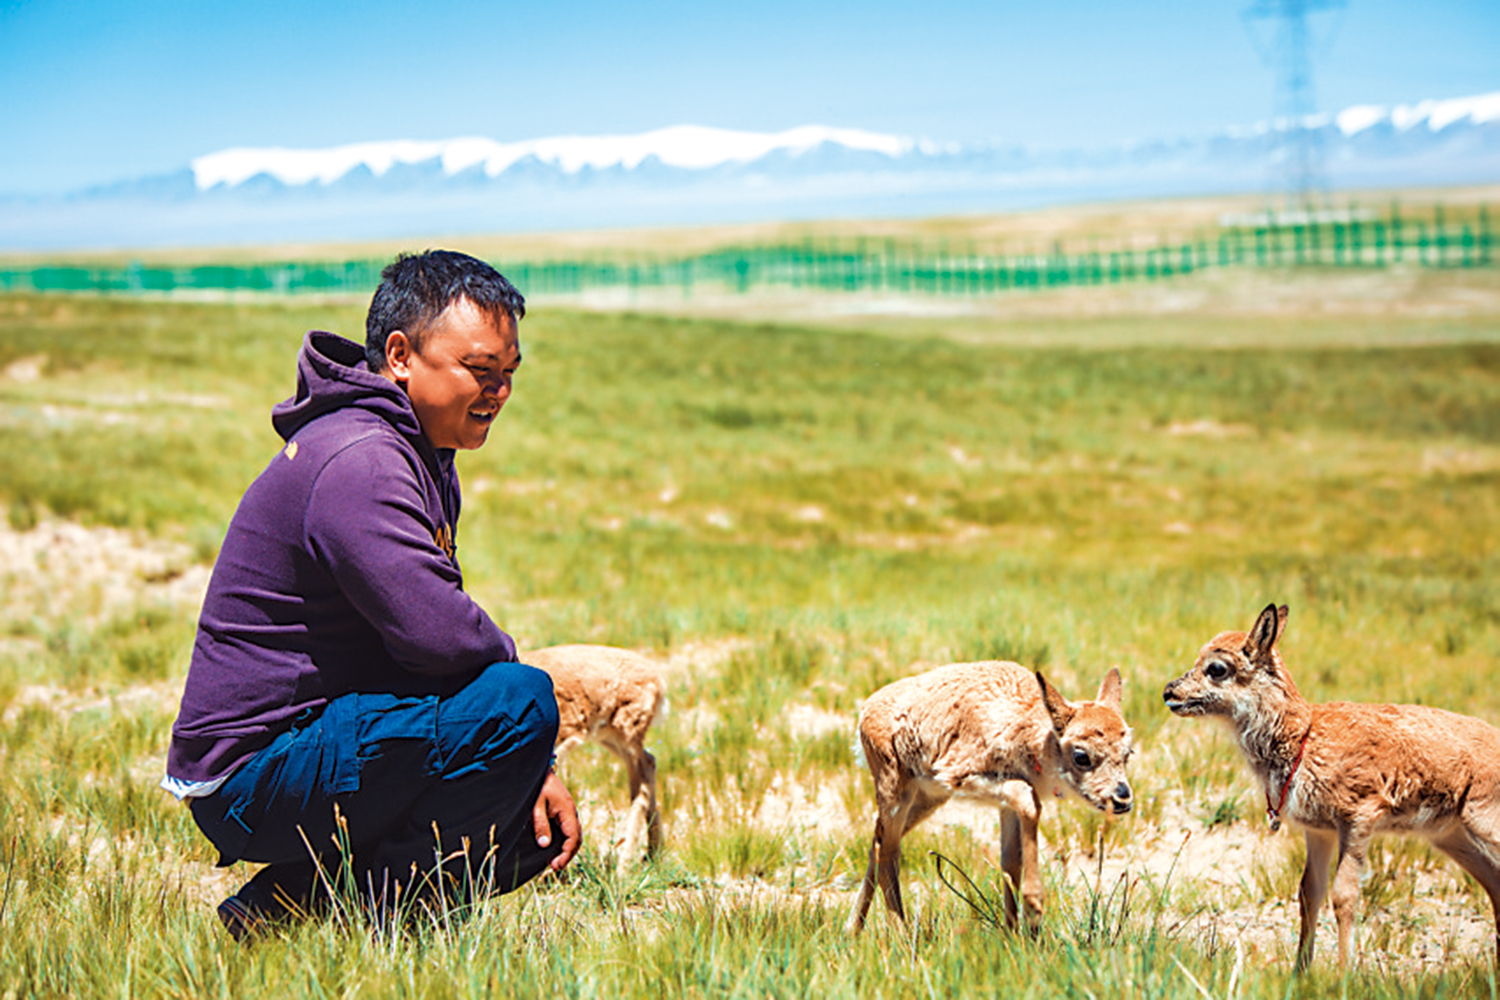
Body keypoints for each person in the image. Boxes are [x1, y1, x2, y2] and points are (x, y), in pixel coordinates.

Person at [162, 250, 580, 938]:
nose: (499, 392)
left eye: (508, 375)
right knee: (521, 700)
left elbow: (426, 650)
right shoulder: (362, 459)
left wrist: (537, 763)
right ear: (400, 355)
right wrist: (526, 732)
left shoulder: (420, 452)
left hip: (315, 745)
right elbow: (440, 636)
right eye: (480, 372)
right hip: (253, 774)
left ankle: (283, 913)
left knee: (527, 832)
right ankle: (382, 925)